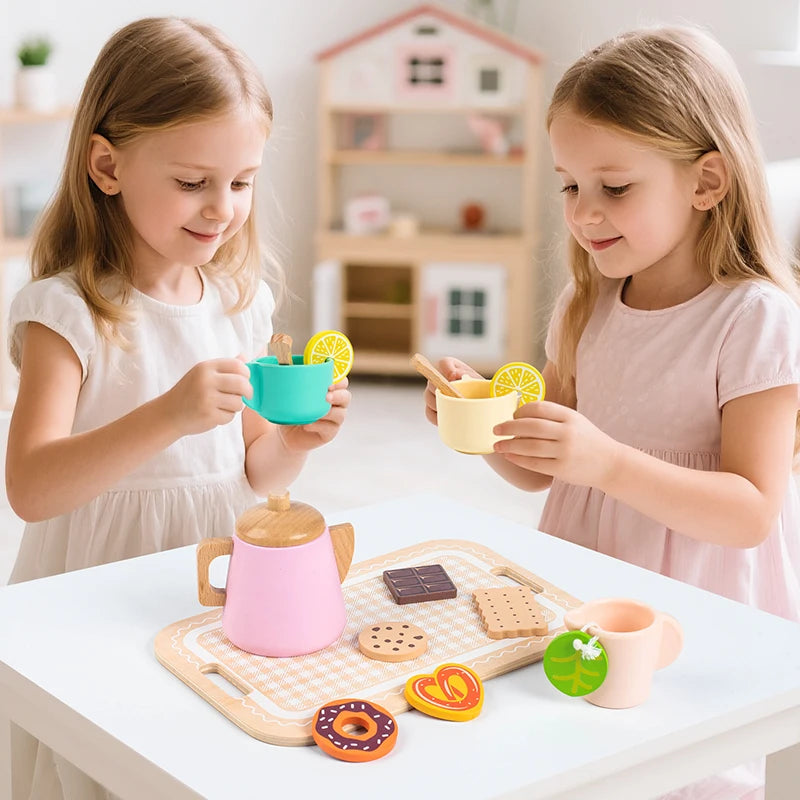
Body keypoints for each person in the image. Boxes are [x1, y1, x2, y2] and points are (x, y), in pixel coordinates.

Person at [424, 25, 800, 800]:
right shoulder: (586, 300)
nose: (585, 213)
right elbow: (544, 470)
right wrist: (487, 422)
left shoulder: (754, 319)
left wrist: (609, 462)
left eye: (615, 188)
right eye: (569, 186)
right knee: (572, 754)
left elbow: (752, 512)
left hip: (697, 606)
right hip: (581, 584)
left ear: (707, 182)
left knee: (681, 773)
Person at [4, 17, 350, 800]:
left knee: (192, 753)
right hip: (90, 585)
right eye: (193, 181)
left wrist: (298, 440)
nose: (222, 207)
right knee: (90, 764)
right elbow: (30, 486)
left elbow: (255, 468)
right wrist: (165, 415)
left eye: (242, 180)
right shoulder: (66, 313)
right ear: (107, 165)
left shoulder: (240, 301)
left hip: (205, 574)